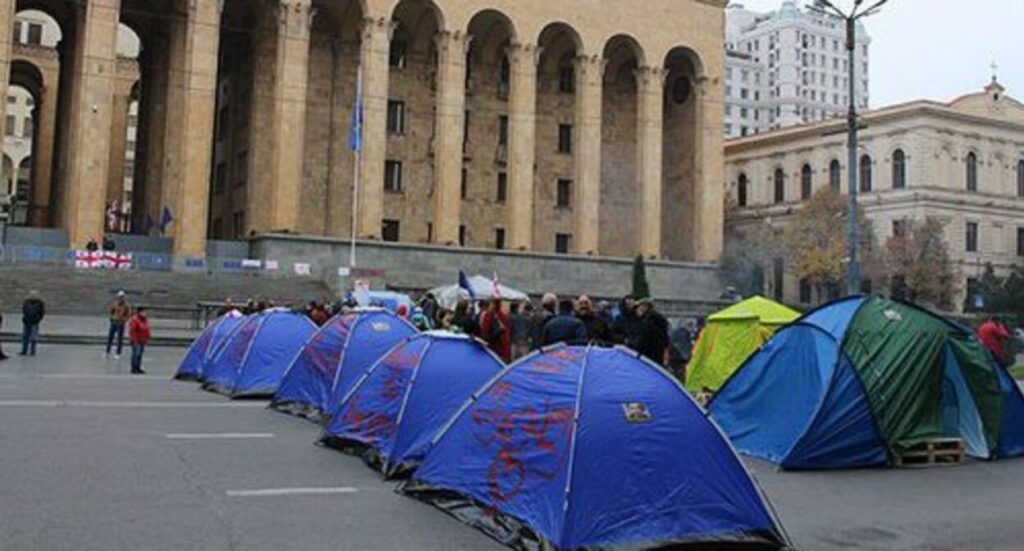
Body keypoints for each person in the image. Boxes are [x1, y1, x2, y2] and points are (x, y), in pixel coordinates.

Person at [634, 298, 670, 366]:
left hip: (648, 355)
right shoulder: (657, 319)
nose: (636, 310)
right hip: (657, 354)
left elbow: (642, 340)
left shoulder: (648, 322)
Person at [106, 291, 132, 358]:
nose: (120, 298)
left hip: (120, 323)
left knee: (119, 338)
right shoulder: (115, 304)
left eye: (122, 297)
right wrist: (111, 318)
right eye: (119, 297)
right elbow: (111, 311)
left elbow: (128, 314)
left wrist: (124, 320)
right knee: (110, 337)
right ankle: (107, 351)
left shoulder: (126, 305)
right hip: (114, 322)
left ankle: (118, 353)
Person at [20, 290, 45, 356]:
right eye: (31, 295)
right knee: (25, 336)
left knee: (33, 337)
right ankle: (24, 350)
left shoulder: (40, 303)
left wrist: (38, 319)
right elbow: (24, 310)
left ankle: (32, 351)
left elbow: (42, 312)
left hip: (34, 322)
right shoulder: (26, 302)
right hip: (26, 321)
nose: (32, 296)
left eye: (34, 295)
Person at [128, 307, 151, 374]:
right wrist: (135, 340)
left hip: (142, 340)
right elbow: (133, 331)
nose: (145, 313)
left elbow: (146, 329)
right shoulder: (135, 320)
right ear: (139, 312)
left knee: (140, 354)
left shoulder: (144, 320)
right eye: (143, 312)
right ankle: (134, 368)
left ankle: (138, 367)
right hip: (136, 340)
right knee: (136, 354)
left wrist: (147, 337)